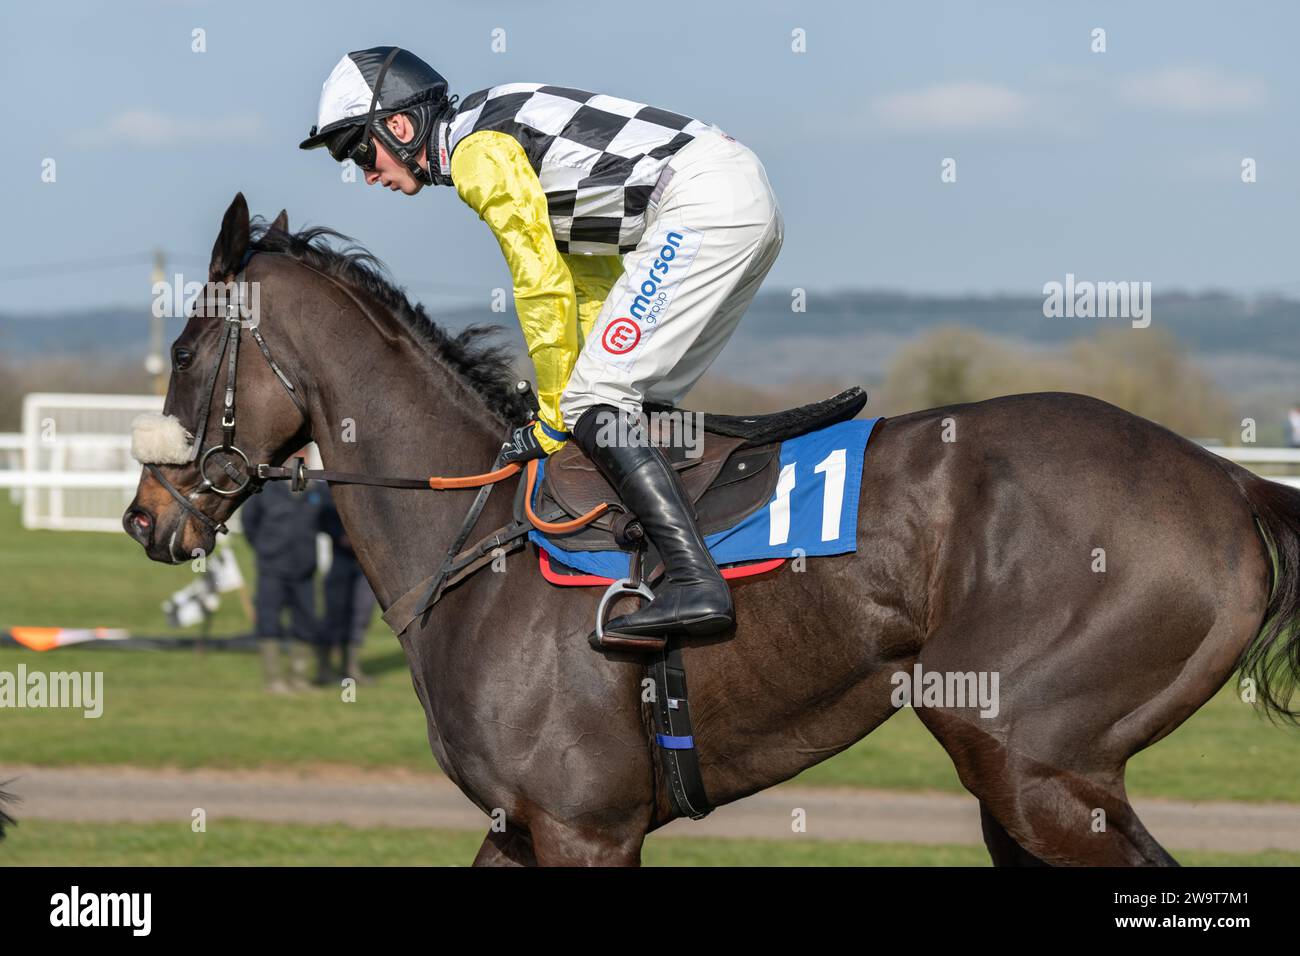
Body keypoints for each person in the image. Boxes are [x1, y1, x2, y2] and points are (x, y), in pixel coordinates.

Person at [300, 47, 783, 651]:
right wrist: (573, 396)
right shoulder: (490, 130)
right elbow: (590, 284)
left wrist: (556, 414)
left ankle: (695, 582)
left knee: (592, 402)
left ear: (398, 126)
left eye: (358, 152)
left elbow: (538, 282)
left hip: (703, 203)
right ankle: (662, 565)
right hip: (737, 200)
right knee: (627, 402)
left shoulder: (478, 153)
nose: (366, 174)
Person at [241, 469, 325, 692]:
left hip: (305, 569)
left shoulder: (316, 490)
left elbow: (330, 522)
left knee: (305, 622)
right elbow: (249, 523)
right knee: (269, 622)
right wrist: (265, 549)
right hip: (272, 569)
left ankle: (299, 677)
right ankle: (274, 679)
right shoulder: (265, 490)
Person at [317, 483, 375, 684]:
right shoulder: (329, 488)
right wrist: (339, 535)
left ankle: (351, 667)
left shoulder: (370, 487)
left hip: (365, 562)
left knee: (361, 613)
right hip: (341, 559)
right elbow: (323, 516)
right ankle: (324, 668)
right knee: (335, 612)